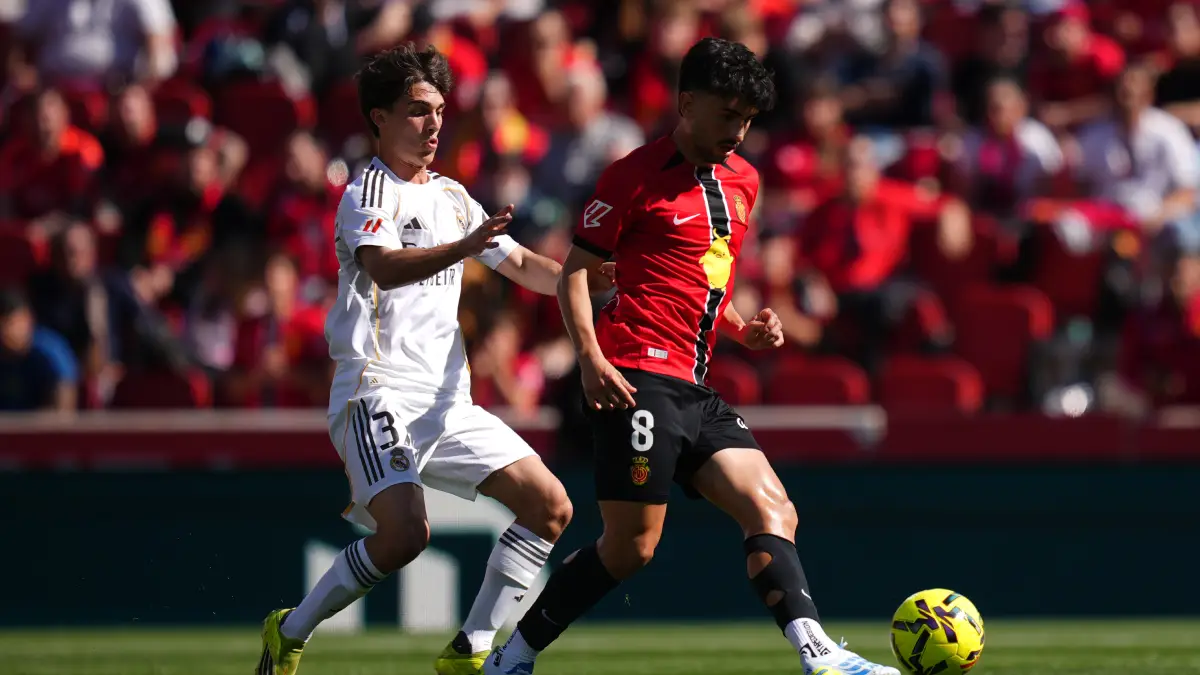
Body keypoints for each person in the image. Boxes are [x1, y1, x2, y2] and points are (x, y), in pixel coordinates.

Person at [487, 38, 900, 675]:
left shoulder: (745, 182)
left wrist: (741, 329)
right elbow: (575, 274)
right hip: (636, 378)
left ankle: (819, 656)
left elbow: (705, 277)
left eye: (747, 119)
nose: (736, 131)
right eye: (726, 113)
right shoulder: (631, 176)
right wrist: (592, 360)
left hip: (695, 383)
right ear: (686, 102)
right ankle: (511, 658)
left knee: (773, 507)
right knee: (630, 549)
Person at [256, 43, 608, 675]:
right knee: (404, 536)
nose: (434, 123)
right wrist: (465, 246)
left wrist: (590, 280)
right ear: (379, 119)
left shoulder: (451, 196)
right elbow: (384, 268)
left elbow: (523, 263)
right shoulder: (367, 191)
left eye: (440, 110)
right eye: (418, 111)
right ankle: (292, 629)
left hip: (449, 402)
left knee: (551, 505)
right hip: (377, 390)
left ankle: (470, 650)